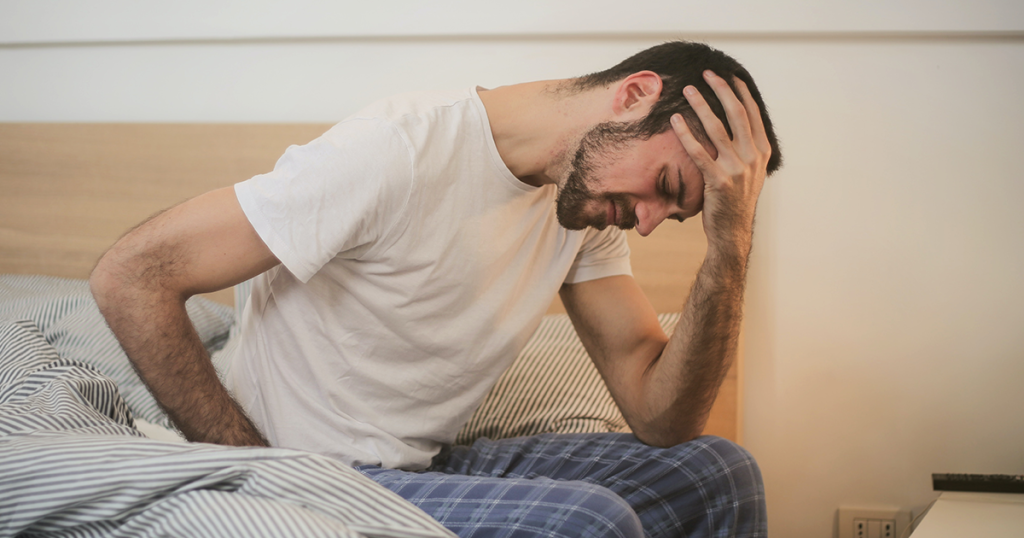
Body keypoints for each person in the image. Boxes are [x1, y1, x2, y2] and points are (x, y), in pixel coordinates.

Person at [91, 41, 782, 538]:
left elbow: (662, 420)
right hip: (310, 470)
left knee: (717, 472)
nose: (650, 222)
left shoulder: (585, 210)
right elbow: (132, 274)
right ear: (633, 95)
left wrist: (730, 244)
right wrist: (257, 471)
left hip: (419, 465)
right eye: (665, 186)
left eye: (677, 214)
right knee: (587, 523)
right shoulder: (396, 151)